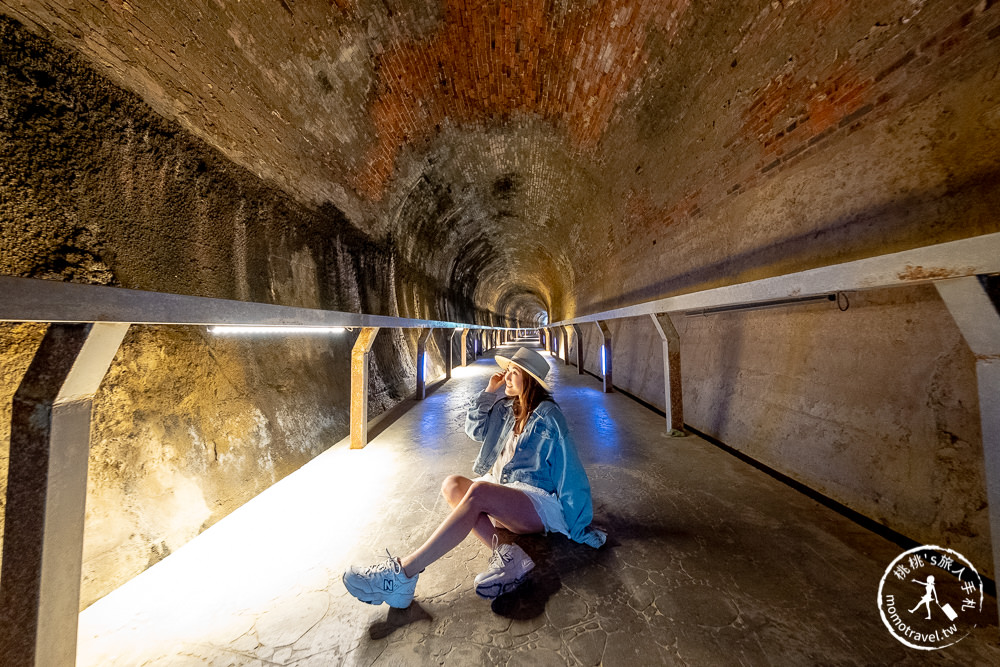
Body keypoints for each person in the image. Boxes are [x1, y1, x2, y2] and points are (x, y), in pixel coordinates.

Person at [343, 345, 606, 608]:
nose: (506, 376)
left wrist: (579, 526)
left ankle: (404, 573)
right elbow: (476, 430)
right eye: (508, 370)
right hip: (504, 491)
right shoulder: (507, 408)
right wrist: (489, 392)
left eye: (514, 372)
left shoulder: (549, 416)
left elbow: (569, 470)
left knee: (479, 493)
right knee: (452, 485)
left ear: (529, 380)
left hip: (534, 502)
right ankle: (506, 555)